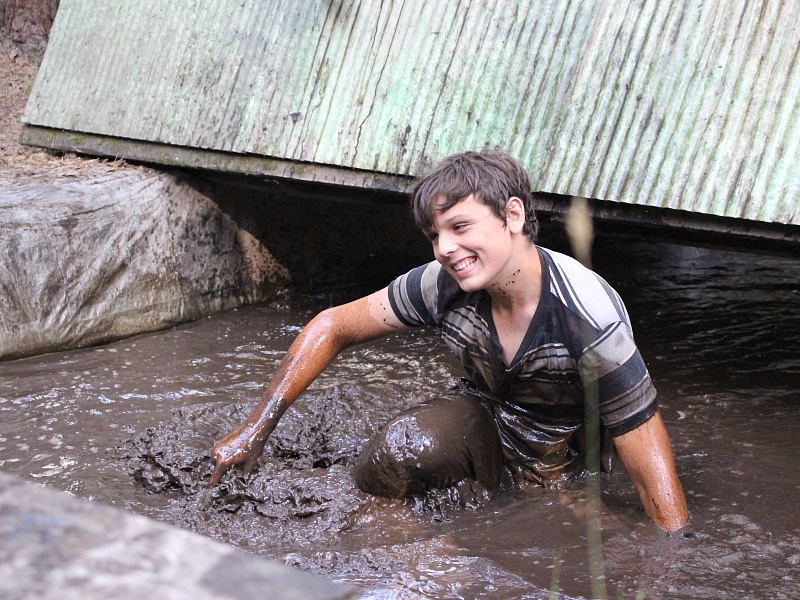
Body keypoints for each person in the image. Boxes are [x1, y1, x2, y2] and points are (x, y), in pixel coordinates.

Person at [210, 150, 689, 532]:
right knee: (392, 452)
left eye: (460, 227)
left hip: (563, 449)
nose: (445, 249)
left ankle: (554, 494)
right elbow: (333, 325)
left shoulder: (587, 313)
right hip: (487, 413)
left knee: (562, 524)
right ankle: (412, 546)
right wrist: (256, 429)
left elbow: (643, 440)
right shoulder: (442, 282)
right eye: (434, 235)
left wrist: (674, 553)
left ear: (514, 216)